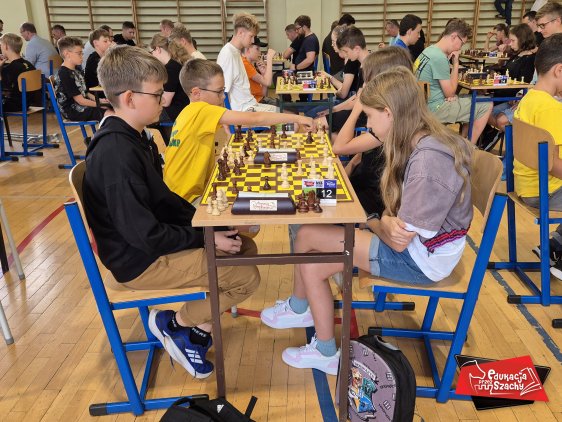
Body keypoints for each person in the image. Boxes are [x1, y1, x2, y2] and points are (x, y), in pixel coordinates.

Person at [261, 67, 473, 374]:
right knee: (308, 244)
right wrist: (382, 219)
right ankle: (311, 326)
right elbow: (394, 217)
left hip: (420, 261)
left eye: (370, 116)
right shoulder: (421, 141)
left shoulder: (428, 161)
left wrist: (373, 220)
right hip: (421, 248)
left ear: (388, 112)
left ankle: (316, 336)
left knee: (307, 241)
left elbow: (398, 239)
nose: (369, 125)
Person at [83, 45, 260, 379]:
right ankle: (176, 324)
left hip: (149, 244)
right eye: (157, 93)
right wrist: (204, 237)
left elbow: (165, 200)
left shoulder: (136, 137)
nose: (164, 100)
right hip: (139, 261)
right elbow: (144, 235)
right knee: (246, 277)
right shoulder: (117, 154)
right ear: (130, 98)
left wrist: (209, 229)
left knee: (243, 247)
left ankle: (195, 332)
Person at [163, 59, 314, 204]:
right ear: (196, 93)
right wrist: (298, 118)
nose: (223, 96)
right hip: (185, 201)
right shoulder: (202, 111)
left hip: (174, 194)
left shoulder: (187, 113)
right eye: (219, 92)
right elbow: (256, 118)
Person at [333, 47, 413, 218]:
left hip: (372, 202)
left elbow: (339, 147)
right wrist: (348, 169)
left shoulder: (389, 124)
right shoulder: (389, 118)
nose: (364, 86)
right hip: (363, 188)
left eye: (368, 81)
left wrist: (358, 107)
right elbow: (360, 156)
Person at [512, 34, 562, 279]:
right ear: (559, 70)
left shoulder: (529, 98)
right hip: (545, 190)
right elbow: (553, 165)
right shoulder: (552, 108)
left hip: (525, 185)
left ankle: (553, 245)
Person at [414, 19, 492, 144]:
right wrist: (455, 63)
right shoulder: (439, 57)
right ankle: (468, 148)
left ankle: (462, 142)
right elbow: (450, 93)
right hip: (435, 109)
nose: (460, 48)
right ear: (454, 36)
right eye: (462, 43)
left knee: (471, 100)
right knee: (485, 104)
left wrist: (449, 95)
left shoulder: (428, 50)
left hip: (423, 104)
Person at [315, 26, 370, 140]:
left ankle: (346, 146)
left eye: (346, 51)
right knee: (322, 127)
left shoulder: (369, 67)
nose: (345, 55)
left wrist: (334, 110)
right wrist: (334, 109)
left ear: (356, 49)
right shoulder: (363, 64)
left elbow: (358, 101)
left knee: (316, 124)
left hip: (364, 113)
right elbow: (357, 97)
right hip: (358, 109)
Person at [217, 12, 277, 112]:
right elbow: (223, 91)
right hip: (243, 110)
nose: (253, 40)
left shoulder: (236, 52)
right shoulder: (228, 54)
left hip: (250, 104)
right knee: (291, 119)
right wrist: (229, 120)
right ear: (241, 33)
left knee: (285, 113)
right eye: (251, 36)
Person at [488, 24, 537, 132]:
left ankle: (509, 136)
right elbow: (507, 73)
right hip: (503, 93)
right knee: (483, 111)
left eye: (513, 40)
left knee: (487, 112)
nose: (510, 43)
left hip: (511, 98)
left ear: (522, 40)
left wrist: (516, 96)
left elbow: (523, 83)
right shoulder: (516, 55)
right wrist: (495, 75)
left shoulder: (529, 59)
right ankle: (498, 133)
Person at [54, 36, 112, 121]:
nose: (82, 56)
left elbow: (85, 92)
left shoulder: (77, 69)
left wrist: (100, 100)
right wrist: (99, 104)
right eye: (79, 53)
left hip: (82, 105)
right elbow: (80, 100)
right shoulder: (64, 73)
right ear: (67, 54)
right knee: (110, 113)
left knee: (112, 108)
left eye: (82, 53)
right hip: (73, 110)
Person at [149, 34, 190, 123]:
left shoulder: (171, 69)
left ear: (157, 49)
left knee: (143, 115)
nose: (152, 56)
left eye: (151, 52)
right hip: (179, 108)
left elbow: (166, 102)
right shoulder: (173, 65)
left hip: (176, 111)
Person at [0, 33, 35, 112]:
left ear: (6, 46)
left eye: (1, 45)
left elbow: (3, 89)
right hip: (28, 103)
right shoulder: (28, 64)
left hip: (14, 105)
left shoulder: (10, 69)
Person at [242, 37, 276, 104]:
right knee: (288, 108)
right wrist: (269, 59)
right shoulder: (245, 64)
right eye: (257, 49)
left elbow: (263, 94)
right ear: (248, 49)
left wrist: (264, 74)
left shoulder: (249, 64)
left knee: (289, 107)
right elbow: (268, 83)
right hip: (254, 104)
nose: (260, 52)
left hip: (259, 100)